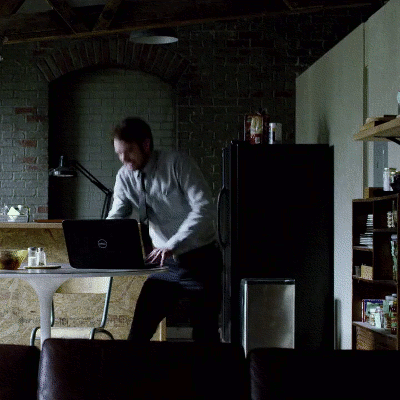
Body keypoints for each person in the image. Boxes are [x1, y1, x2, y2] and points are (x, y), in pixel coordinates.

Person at [107, 117, 222, 342]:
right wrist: (101, 239)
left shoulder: (177, 163)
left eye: (129, 151)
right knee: (138, 334)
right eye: (119, 153)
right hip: (165, 267)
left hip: (201, 260)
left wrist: (172, 244)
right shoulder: (124, 176)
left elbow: (204, 208)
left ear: (146, 144)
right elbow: (116, 216)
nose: (124, 159)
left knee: (205, 336)